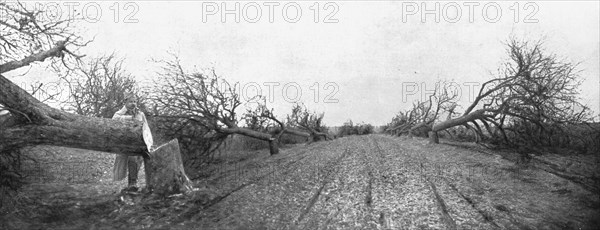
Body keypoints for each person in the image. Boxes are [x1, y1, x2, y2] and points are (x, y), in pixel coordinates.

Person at [112, 100, 146, 192]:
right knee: (125, 161)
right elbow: (114, 121)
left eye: (135, 101)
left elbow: (146, 128)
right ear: (125, 103)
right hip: (124, 142)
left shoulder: (140, 114)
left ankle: (133, 183)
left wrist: (147, 142)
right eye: (131, 101)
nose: (133, 103)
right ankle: (127, 183)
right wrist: (128, 118)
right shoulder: (119, 113)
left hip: (137, 142)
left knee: (134, 158)